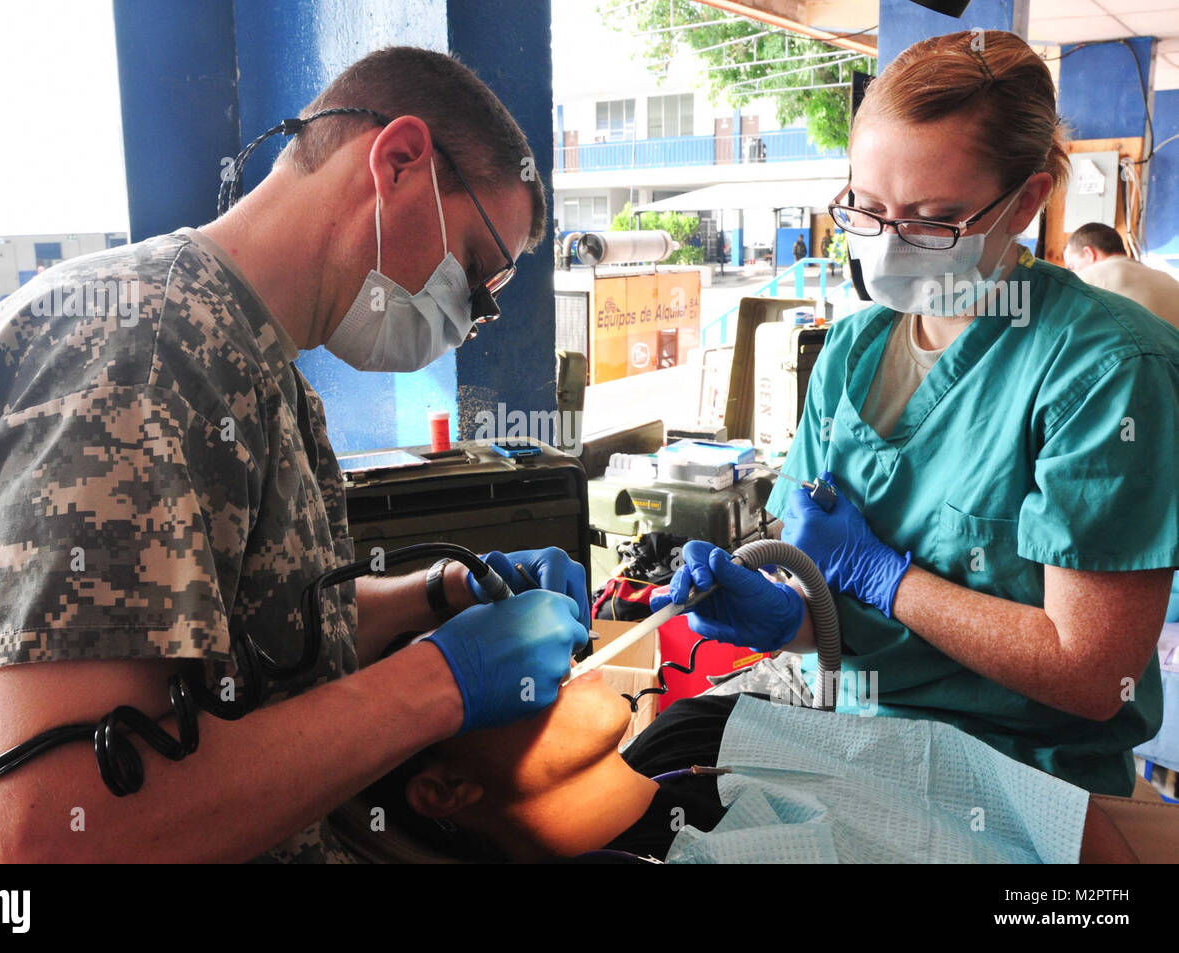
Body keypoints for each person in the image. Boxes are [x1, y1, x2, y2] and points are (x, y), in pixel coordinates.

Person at [0, 47, 591, 864]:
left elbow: (225, 635)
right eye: (473, 272)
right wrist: (437, 685)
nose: (469, 318)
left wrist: (441, 592)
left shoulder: (253, 366)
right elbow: (46, 839)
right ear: (398, 163)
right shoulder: (139, 359)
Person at [653, 31, 1179, 798]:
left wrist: (885, 576)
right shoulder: (851, 351)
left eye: (932, 221)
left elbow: (1094, 672)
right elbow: (838, 608)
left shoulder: (1106, 370)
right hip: (849, 731)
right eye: (865, 210)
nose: (890, 246)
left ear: (1027, 201)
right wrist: (784, 615)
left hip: (1016, 774)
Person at [352, 658, 1137, 863]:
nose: (540, 649)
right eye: (486, 669)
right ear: (445, 789)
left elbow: (1029, 810)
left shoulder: (697, 733)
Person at [1063, 222, 1179, 329]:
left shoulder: (1085, 279)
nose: (1074, 272)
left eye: (1072, 266)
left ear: (1089, 253)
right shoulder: (1168, 279)